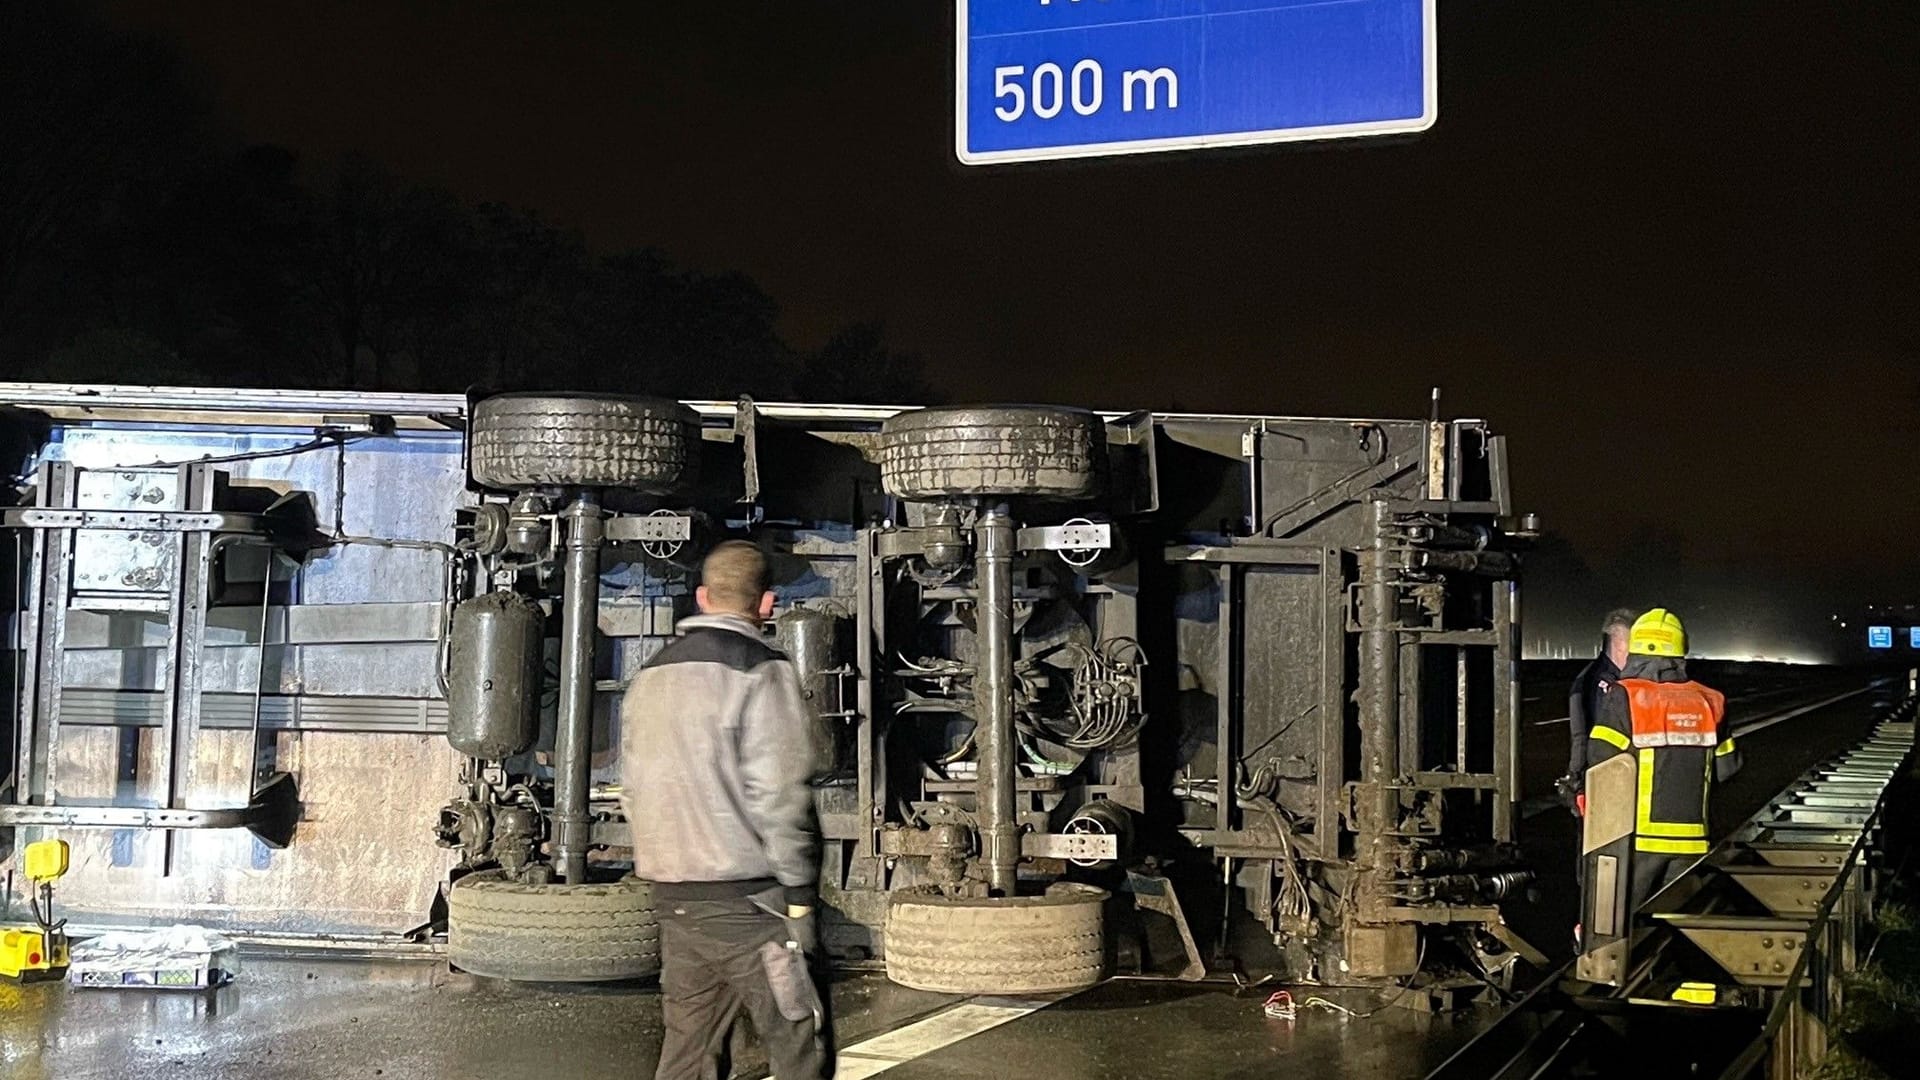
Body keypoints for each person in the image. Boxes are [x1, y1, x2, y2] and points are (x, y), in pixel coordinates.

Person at [622, 540, 830, 1080]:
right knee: (799, 1039)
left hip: (674, 898)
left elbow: (633, 787)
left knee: (689, 1052)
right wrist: (801, 894)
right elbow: (780, 791)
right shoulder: (760, 668)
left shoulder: (650, 674)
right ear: (767, 605)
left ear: (701, 597)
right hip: (750, 903)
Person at [1585, 608, 1741, 912]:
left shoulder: (1624, 696)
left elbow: (1600, 763)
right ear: (1681, 652)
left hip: (1638, 843)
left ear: (1636, 650)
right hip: (1694, 843)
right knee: (1680, 930)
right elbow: (1728, 768)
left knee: (1621, 929)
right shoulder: (1712, 701)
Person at [1559, 609, 1638, 816]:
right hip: (1603, 780)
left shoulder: (1598, 678)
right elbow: (1582, 736)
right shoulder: (1595, 683)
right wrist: (1576, 779)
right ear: (1620, 642)